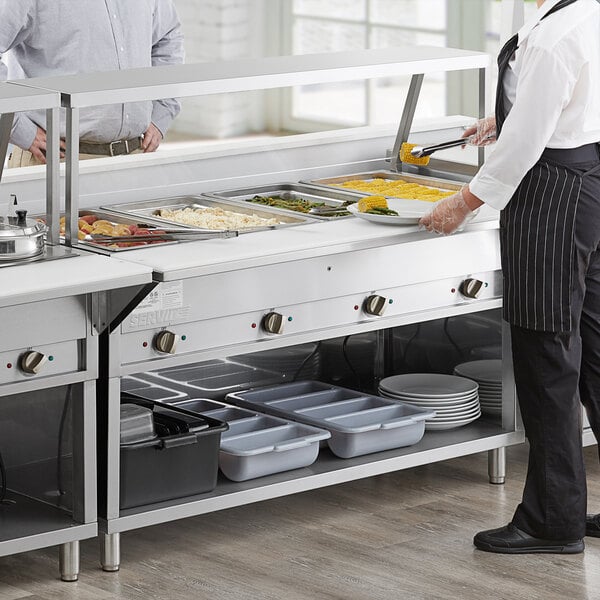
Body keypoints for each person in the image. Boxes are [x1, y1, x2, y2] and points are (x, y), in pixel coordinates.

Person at [420, 0, 600, 554]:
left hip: (551, 195)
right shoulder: (584, 13)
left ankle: (553, 520)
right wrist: (509, 117)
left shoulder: (554, 35)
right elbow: (570, 102)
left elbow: (526, 146)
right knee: (595, 350)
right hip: (589, 178)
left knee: (547, 356)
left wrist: (465, 200)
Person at [0, 0, 184, 167]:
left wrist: (162, 111)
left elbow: (168, 36)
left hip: (135, 156)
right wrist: (19, 129)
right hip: (54, 160)